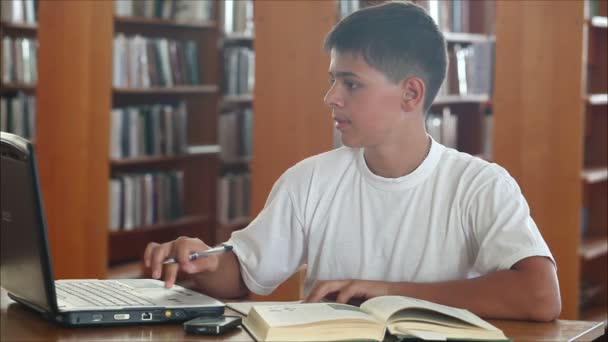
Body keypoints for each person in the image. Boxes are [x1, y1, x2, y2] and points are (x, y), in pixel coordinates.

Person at [144, 1, 561, 321]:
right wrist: (204, 262)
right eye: (333, 81)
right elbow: (242, 274)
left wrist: (387, 293)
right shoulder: (309, 180)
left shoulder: (480, 185)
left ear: (411, 95)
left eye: (352, 83)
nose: (331, 98)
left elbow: (541, 297)